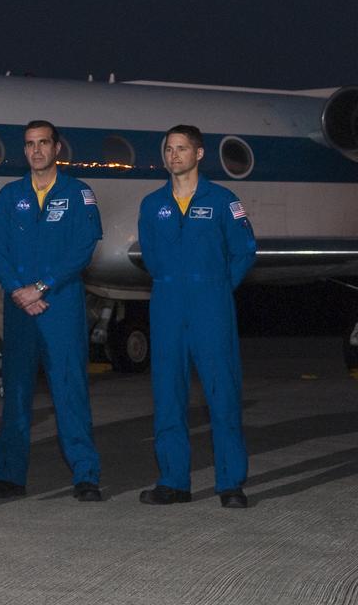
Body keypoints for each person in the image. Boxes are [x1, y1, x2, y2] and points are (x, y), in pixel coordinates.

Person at [137, 125, 256, 508]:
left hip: (211, 307)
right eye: (169, 149)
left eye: (182, 149)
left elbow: (244, 252)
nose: (174, 156)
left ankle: (231, 484)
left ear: (199, 154)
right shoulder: (152, 204)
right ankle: (173, 482)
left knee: (222, 395)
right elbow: (150, 255)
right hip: (167, 305)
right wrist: (172, 283)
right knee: (168, 395)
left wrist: (218, 287)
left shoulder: (223, 201)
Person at [0, 121, 103, 501]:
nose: (36, 150)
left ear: (57, 148)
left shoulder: (79, 193)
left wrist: (42, 286)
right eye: (30, 144)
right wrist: (20, 292)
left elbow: (83, 248)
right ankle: (9, 475)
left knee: (70, 389)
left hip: (60, 304)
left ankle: (85, 474)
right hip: (20, 308)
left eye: (43, 143)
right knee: (16, 391)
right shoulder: (9, 195)